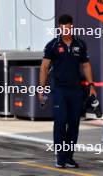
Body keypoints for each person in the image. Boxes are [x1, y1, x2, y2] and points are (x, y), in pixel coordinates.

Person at [39, 14, 96, 168]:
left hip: (76, 90)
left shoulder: (80, 44)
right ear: (59, 28)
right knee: (60, 122)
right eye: (63, 27)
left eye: (69, 27)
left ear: (72, 27)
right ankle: (60, 156)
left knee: (74, 124)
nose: (66, 30)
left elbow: (86, 65)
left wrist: (91, 85)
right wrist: (42, 89)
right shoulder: (52, 45)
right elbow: (44, 67)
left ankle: (69, 156)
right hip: (59, 90)